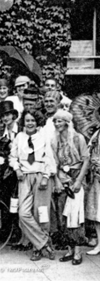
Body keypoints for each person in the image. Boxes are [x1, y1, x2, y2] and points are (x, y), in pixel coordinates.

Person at [9, 109, 56, 261]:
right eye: (27, 120)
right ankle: (43, 241)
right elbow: (13, 157)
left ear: (38, 123)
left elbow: (49, 158)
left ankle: (37, 248)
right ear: (23, 122)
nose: (30, 123)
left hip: (41, 176)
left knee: (40, 213)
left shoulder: (43, 137)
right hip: (24, 177)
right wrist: (16, 169)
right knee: (23, 213)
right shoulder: (19, 137)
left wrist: (45, 176)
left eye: (33, 121)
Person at [50, 110, 89, 265]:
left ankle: (78, 251)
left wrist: (79, 181)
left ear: (67, 122)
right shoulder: (55, 141)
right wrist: (58, 181)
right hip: (62, 178)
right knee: (63, 215)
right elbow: (54, 163)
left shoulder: (78, 138)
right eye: (55, 121)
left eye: (60, 121)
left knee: (76, 215)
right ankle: (69, 249)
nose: (58, 124)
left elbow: (86, 160)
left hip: (77, 176)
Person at [86, 115, 100, 256]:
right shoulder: (96, 133)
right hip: (97, 176)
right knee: (97, 212)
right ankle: (99, 243)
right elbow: (89, 152)